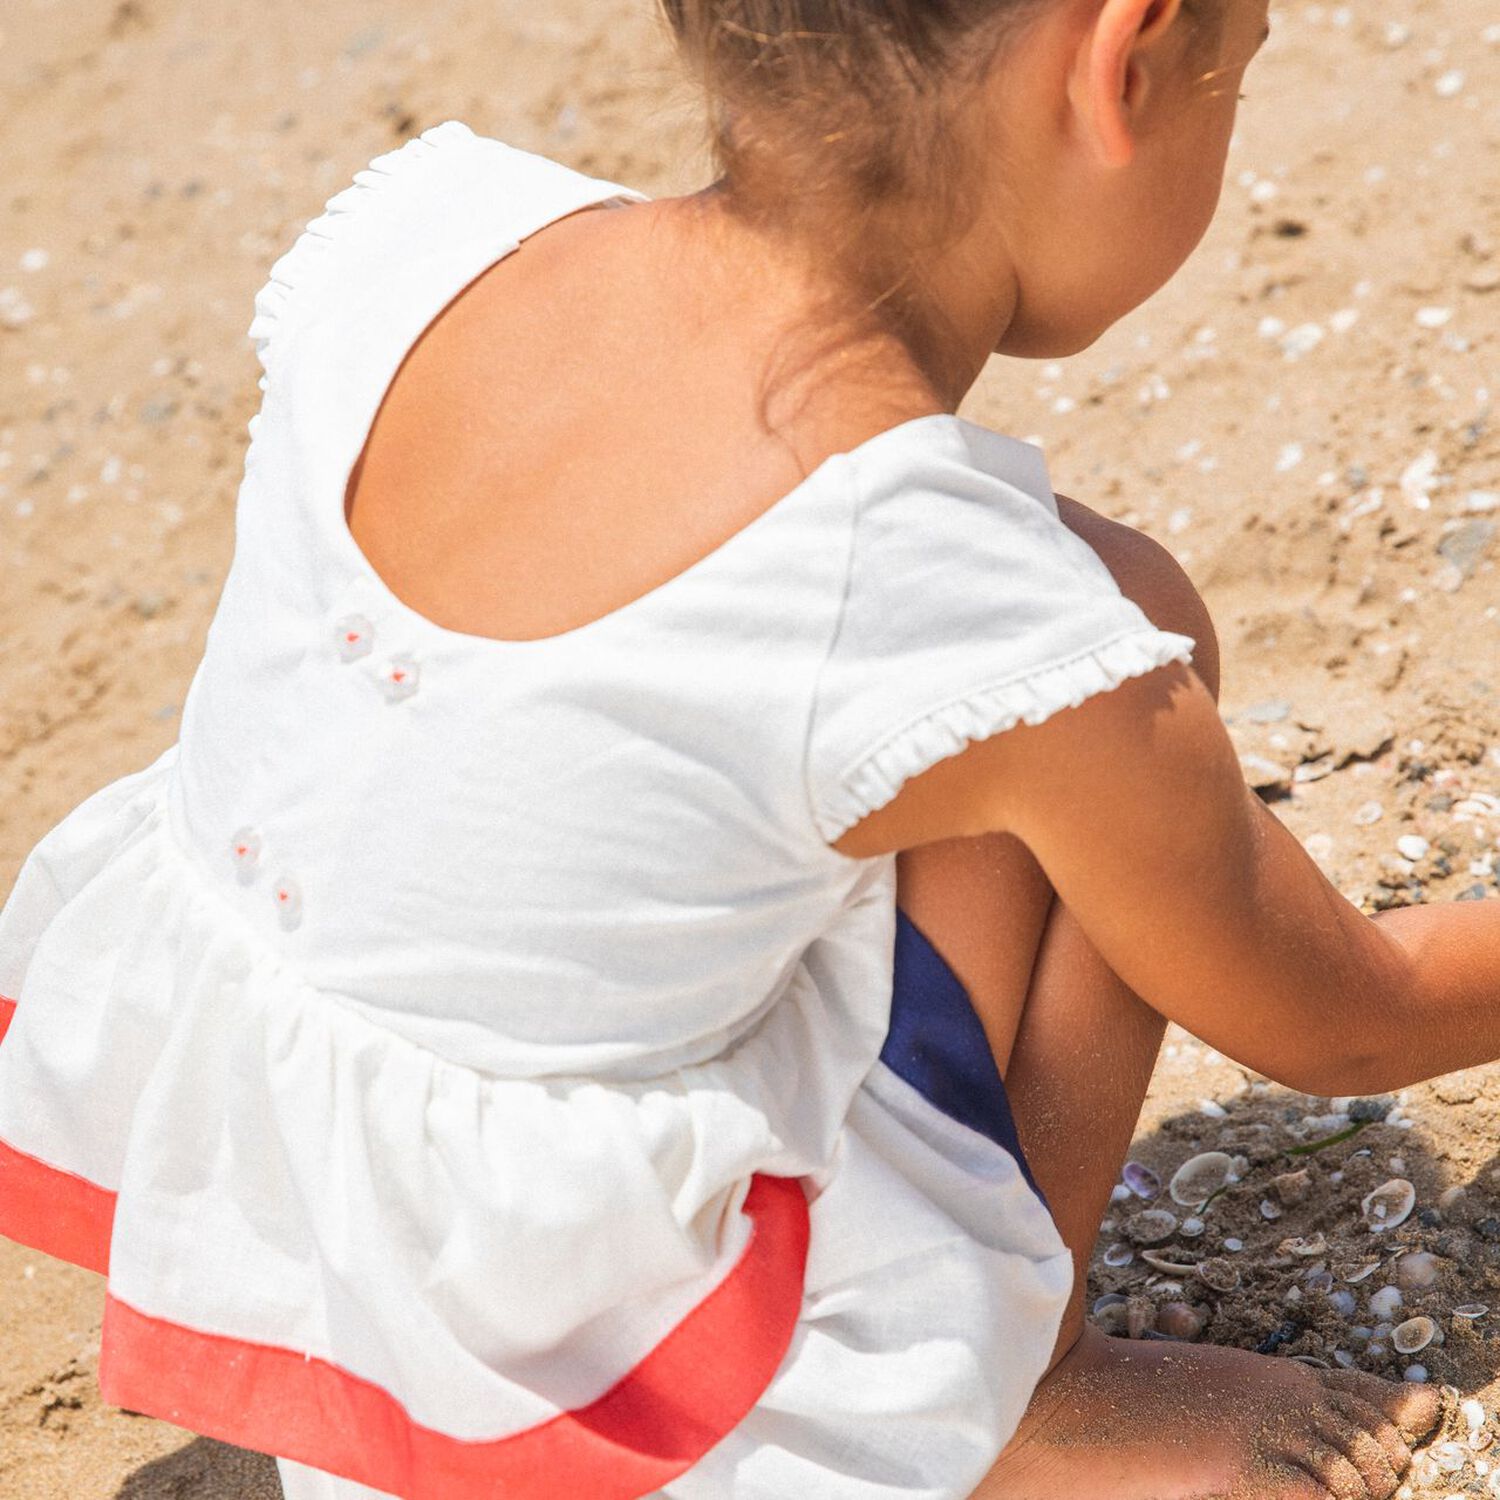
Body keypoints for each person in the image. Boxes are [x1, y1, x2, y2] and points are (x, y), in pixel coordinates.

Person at [0, 0, 1484, 1494]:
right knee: (1111, 623)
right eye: (1237, 75)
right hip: (618, 1389)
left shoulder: (438, 238)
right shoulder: (938, 597)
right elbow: (1345, 1018)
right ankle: (1017, 1394)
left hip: (305, 1264)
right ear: (1124, 65)